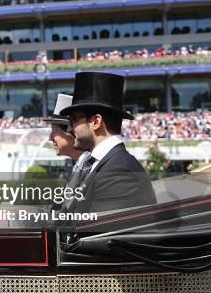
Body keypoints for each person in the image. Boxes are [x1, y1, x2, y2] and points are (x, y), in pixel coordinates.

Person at [59, 72, 156, 213]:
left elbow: (96, 230)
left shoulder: (119, 170)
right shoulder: (103, 163)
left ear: (96, 122)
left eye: (74, 119)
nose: (69, 128)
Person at [43, 94, 90, 212]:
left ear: (71, 132)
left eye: (55, 131)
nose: (50, 137)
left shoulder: (90, 168)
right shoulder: (79, 167)